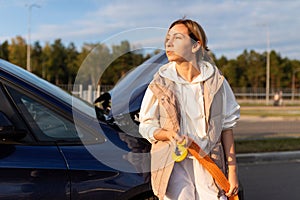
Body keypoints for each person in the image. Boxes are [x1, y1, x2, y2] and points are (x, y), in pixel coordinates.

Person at [139, 18, 240, 200]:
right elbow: (146, 126)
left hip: (210, 162)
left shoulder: (217, 82)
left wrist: (232, 173)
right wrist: (168, 134)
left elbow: (227, 128)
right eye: (167, 39)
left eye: (177, 38)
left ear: (195, 45)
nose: (168, 43)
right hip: (173, 165)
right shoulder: (159, 83)